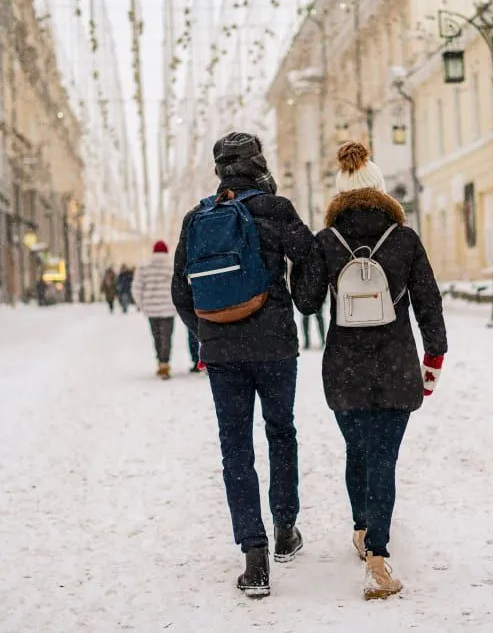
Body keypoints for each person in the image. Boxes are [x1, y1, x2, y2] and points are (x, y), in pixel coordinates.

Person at [291, 142, 448, 600]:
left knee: (357, 449)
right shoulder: (405, 240)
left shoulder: (327, 241)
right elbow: (429, 304)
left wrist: (302, 263)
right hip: (396, 363)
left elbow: (306, 303)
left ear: (339, 195)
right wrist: (433, 359)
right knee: (383, 456)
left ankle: (362, 530)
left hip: (343, 367)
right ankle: (378, 558)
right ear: (382, 192)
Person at [172, 131, 317, 598]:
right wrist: (301, 303)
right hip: (275, 343)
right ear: (258, 163)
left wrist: (208, 332)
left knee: (234, 446)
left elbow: (181, 289)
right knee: (281, 432)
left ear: (219, 169)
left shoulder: (198, 217)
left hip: (222, 352)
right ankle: (285, 530)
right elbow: (311, 259)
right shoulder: (276, 209)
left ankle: (253, 556)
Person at [132, 241, 177, 379]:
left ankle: (160, 361)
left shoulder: (144, 267)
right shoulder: (171, 266)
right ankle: (164, 363)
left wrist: (141, 305)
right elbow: (178, 286)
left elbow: (136, 288)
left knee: (156, 336)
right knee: (166, 337)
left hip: (151, 308)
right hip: (168, 307)